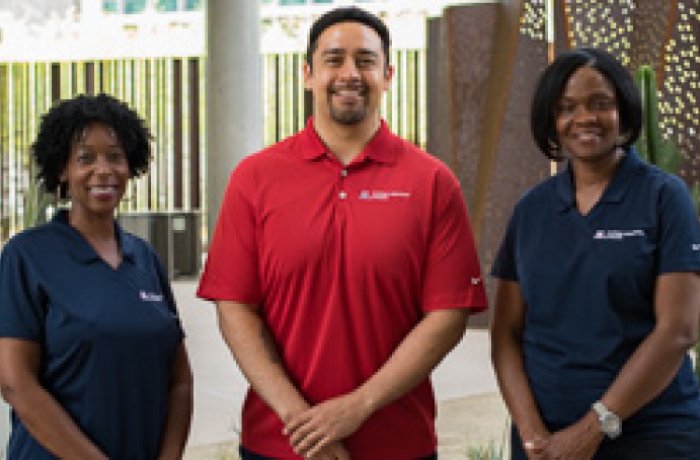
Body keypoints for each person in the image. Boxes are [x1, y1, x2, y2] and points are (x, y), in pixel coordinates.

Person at [197, 6, 487, 459]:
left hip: (398, 445)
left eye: (365, 61)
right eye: (334, 60)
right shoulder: (255, 179)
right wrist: (304, 424)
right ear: (308, 74)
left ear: (387, 75)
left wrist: (356, 408)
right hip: (278, 445)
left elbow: (447, 317)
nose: (349, 73)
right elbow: (235, 309)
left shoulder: (431, 182)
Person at [491, 47, 700, 459]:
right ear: (551, 120)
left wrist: (594, 428)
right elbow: (506, 335)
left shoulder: (663, 197)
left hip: (651, 436)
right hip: (545, 442)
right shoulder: (532, 209)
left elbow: (678, 330)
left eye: (600, 104)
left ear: (622, 109)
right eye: (566, 107)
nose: (584, 118)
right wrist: (532, 432)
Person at [0, 94, 193, 459]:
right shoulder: (27, 255)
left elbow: (179, 380)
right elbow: (16, 384)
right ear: (62, 169)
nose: (103, 170)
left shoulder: (144, 258)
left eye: (115, 157)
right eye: (85, 158)